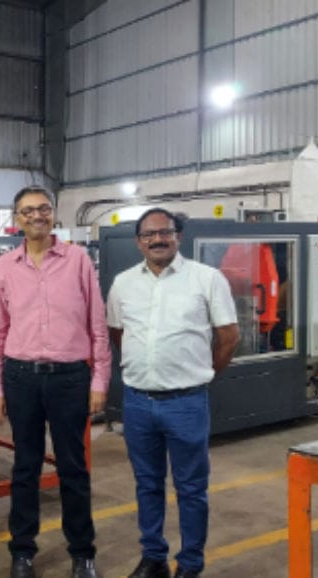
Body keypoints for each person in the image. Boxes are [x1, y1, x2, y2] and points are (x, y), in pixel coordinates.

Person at [106, 208, 239, 578]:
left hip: (186, 402)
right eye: (149, 235)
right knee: (147, 484)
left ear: (178, 236)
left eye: (165, 232)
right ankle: (153, 558)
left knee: (191, 489)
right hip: (137, 403)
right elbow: (119, 335)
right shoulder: (123, 284)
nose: (157, 239)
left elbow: (229, 338)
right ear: (138, 242)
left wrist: (202, 374)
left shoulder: (206, 279)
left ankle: (191, 564)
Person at [0, 186, 111, 578]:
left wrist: (100, 380)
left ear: (53, 214)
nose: (36, 216)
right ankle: (22, 552)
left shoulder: (78, 261)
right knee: (25, 467)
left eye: (42, 209)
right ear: (17, 219)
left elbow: (97, 325)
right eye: (27, 211)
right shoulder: (6, 267)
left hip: (70, 379)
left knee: (73, 468)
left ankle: (82, 553)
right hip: (21, 377)